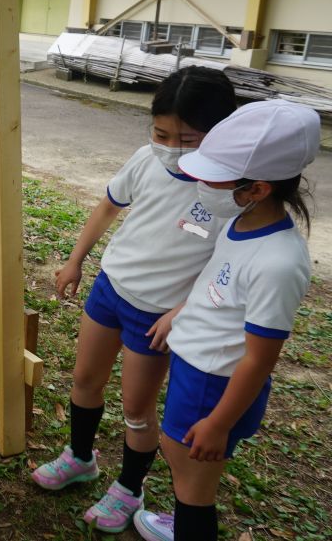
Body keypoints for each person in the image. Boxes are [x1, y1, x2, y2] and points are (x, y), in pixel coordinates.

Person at [31, 66, 238, 533]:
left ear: (221, 133)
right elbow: (108, 205)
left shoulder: (228, 195)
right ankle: (80, 457)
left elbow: (227, 270)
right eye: (161, 133)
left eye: (187, 138)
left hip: (157, 316)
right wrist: (75, 259)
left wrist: (181, 313)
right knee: (85, 379)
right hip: (110, 288)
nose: (170, 146)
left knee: (137, 410)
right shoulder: (147, 160)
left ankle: (129, 487)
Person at [134, 100, 319, 541]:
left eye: (213, 176)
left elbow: (259, 360)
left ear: (257, 188)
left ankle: (190, 528)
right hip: (197, 368)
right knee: (182, 464)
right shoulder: (240, 220)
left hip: (213, 386)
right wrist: (180, 314)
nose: (200, 181)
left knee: (193, 483)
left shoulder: (277, 262)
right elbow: (218, 285)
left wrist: (218, 423)